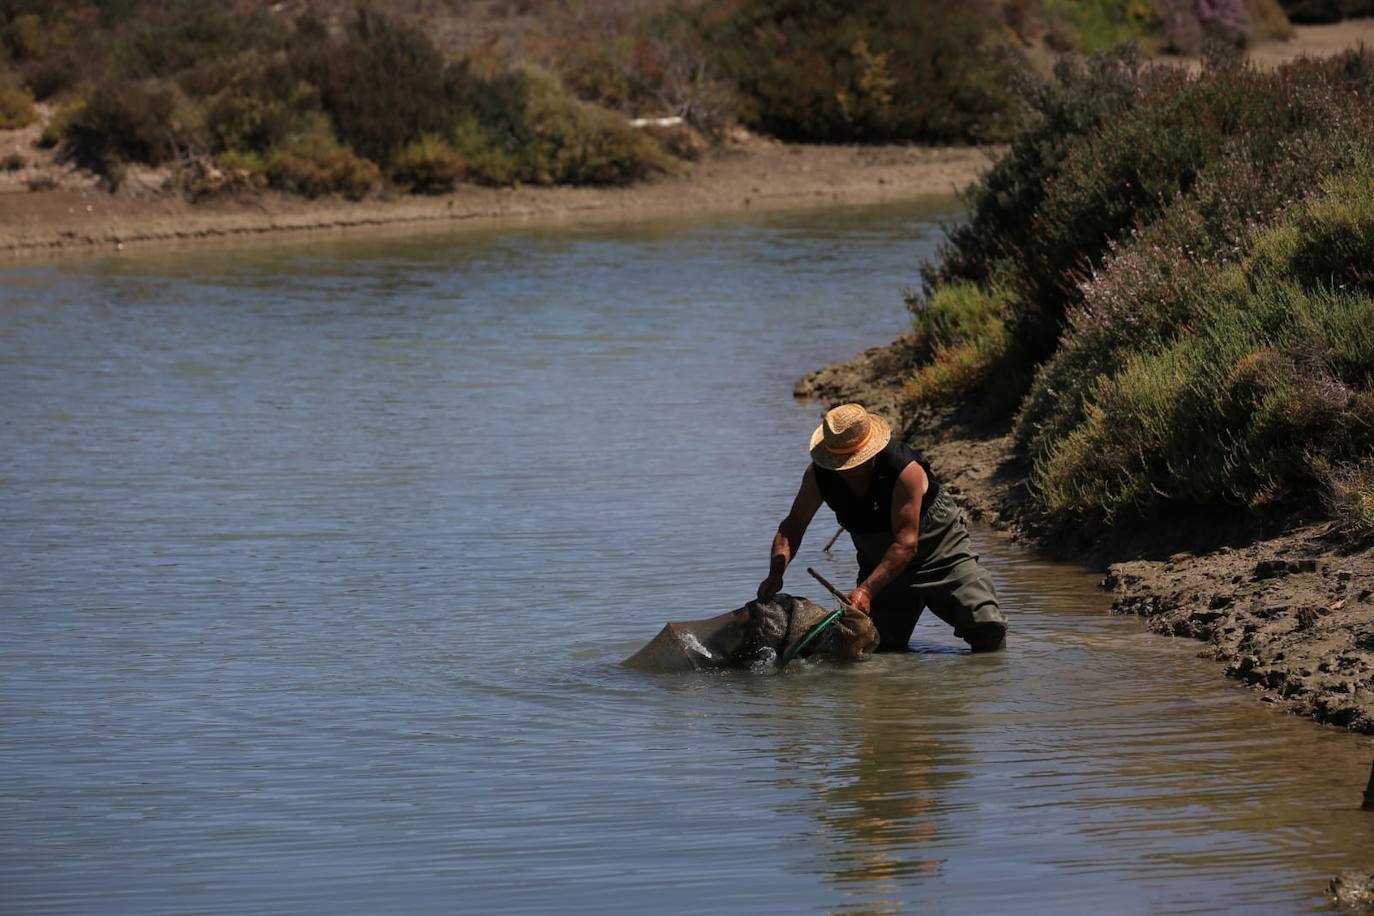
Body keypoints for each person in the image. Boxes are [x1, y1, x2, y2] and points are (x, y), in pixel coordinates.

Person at [758, 403, 1007, 653]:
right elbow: (793, 526)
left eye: (853, 462)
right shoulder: (819, 475)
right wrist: (776, 572)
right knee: (871, 646)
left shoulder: (904, 470)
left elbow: (906, 544)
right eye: (839, 462)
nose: (846, 470)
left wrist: (866, 591)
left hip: (938, 550)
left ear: (871, 451)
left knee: (987, 628)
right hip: (879, 563)